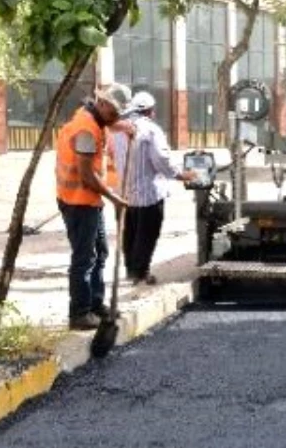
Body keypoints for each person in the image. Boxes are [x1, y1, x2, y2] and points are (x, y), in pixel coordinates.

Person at [55, 83, 134, 330]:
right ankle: (79, 313)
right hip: (77, 201)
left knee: (100, 253)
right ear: (102, 104)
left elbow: (108, 122)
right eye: (114, 114)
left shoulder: (95, 118)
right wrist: (115, 199)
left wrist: (123, 126)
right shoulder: (86, 129)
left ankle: (96, 303)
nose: (115, 119)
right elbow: (87, 175)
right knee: (84, 258)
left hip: (89, 200)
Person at [113, 91, 196, 285]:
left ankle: (132, 270)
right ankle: (141, 272)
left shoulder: (118, 130)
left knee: (130, 233)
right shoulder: (151, 130)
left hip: (127, 193)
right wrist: (180, 175)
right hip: (149, 194)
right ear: (151, 111)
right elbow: (162, 160)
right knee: (147, 233)